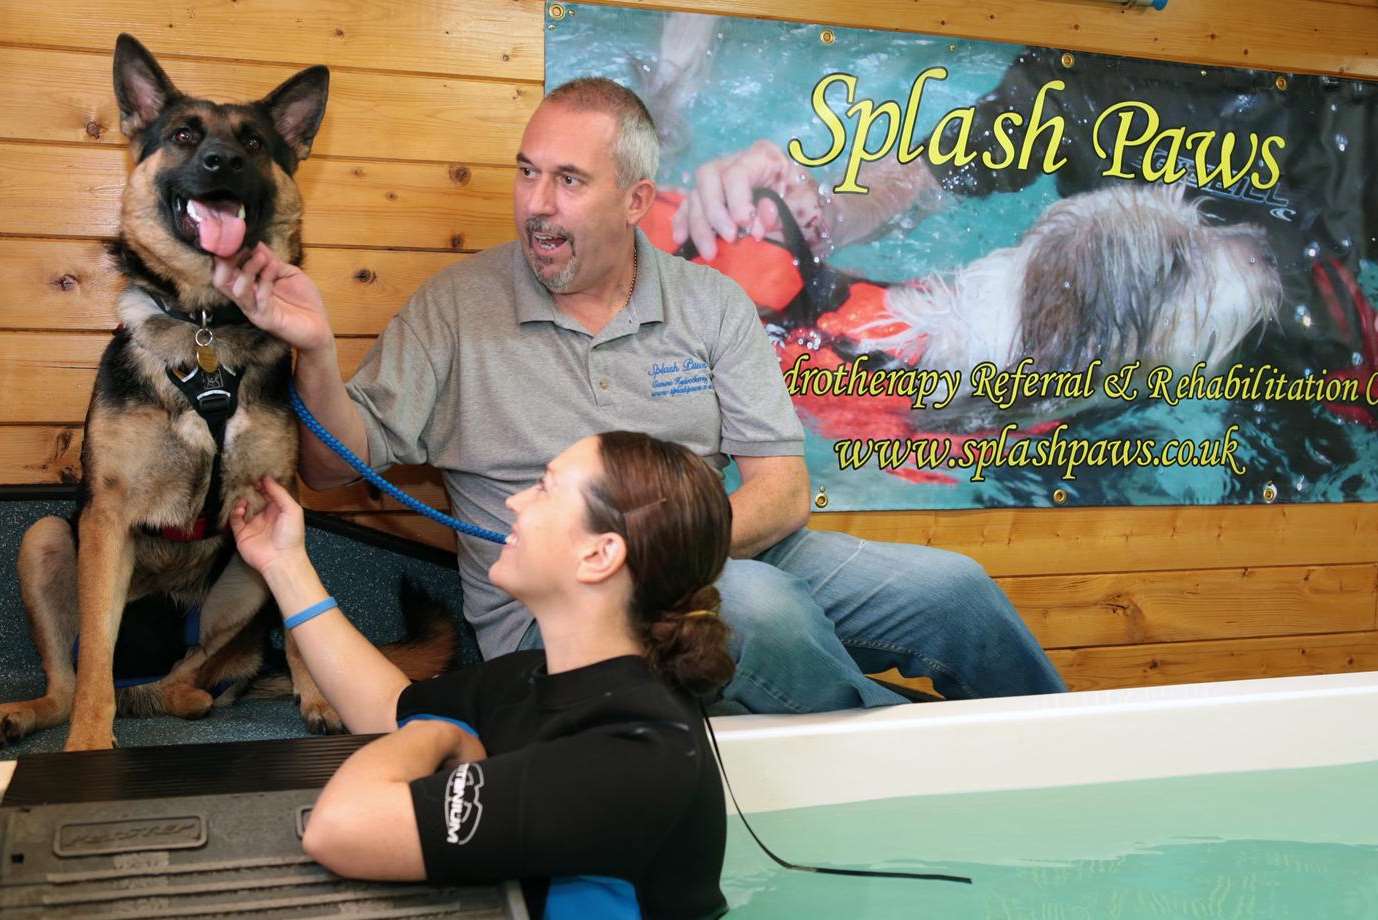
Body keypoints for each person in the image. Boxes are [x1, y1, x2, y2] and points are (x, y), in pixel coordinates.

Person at [211, 76, 1066, 713]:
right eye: (526, 174)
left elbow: (782, 485)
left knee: (955, 589)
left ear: (637, 200)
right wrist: (315, 355)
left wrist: (672, 555)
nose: (536, 207)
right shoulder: (455, 306)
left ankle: (1084, 763)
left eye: (569, 182)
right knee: (761, 610)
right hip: (553, 617)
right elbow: (329, 471)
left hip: (714, 557)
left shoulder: (711, 302)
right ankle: (906, 769)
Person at [671, 46, 1378, 439]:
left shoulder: (1343, 72)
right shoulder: (1088, 61)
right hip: (1090, 360)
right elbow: (915, 176)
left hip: (1303, 359)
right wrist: (800, 210)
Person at [229, 430, 733, 919]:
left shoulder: (639, 752)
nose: (515, 503)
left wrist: (437, 731)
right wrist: (283, 564)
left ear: (598, 555)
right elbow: (385, 708)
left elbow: (340, 829)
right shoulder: (527, 680)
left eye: (544, 488)